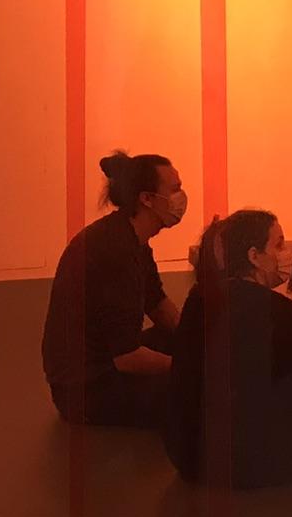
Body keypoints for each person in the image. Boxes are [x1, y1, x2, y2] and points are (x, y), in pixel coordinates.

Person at [165, 209, 292, 487]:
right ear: (253, 256)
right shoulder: (280, 311)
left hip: (193, 458)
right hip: (255, 463)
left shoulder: (198, 301)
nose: (286, 254)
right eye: (279, 245)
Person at [41, 151, 186, 427]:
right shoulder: (115, 251)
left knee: (179, 344)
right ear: (147, 198)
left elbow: (157, 303)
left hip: (104, 366)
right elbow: (127, 357)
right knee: (196, 393)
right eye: (175, 189)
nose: (181, 197)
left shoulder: (132, 240)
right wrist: (190, 366)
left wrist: (195, 338)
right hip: (85, 390)